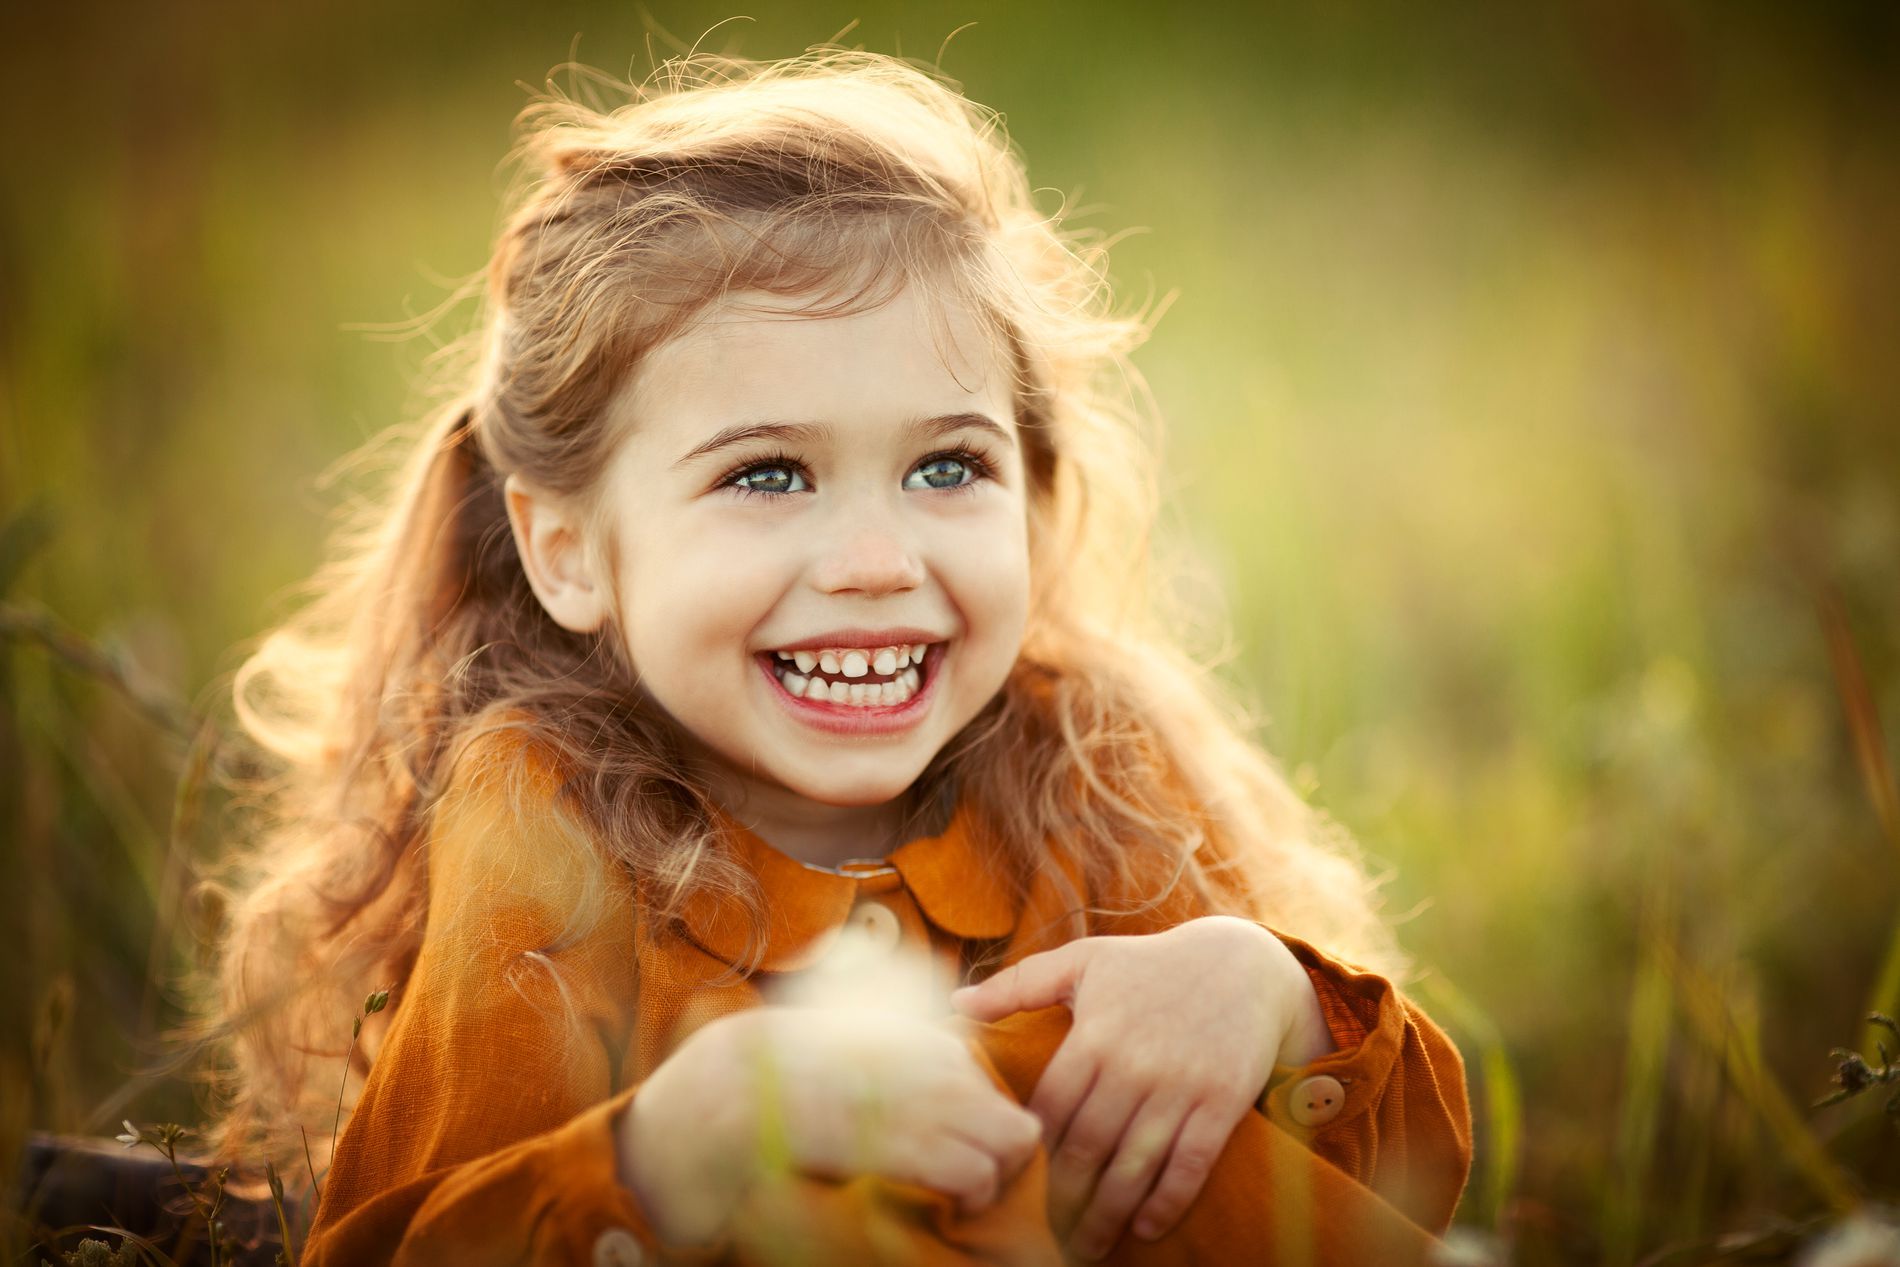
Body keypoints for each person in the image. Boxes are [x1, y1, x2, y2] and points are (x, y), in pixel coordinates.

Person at [204, 48, 1472, 1265]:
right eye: (767, 473)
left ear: (1032, 505)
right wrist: (666, 1151)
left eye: (946, 466)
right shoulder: (546, 827)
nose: (874, 558)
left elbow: (1399, 1187)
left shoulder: (1087, 771)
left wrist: (1267, 999)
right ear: (570, 549)